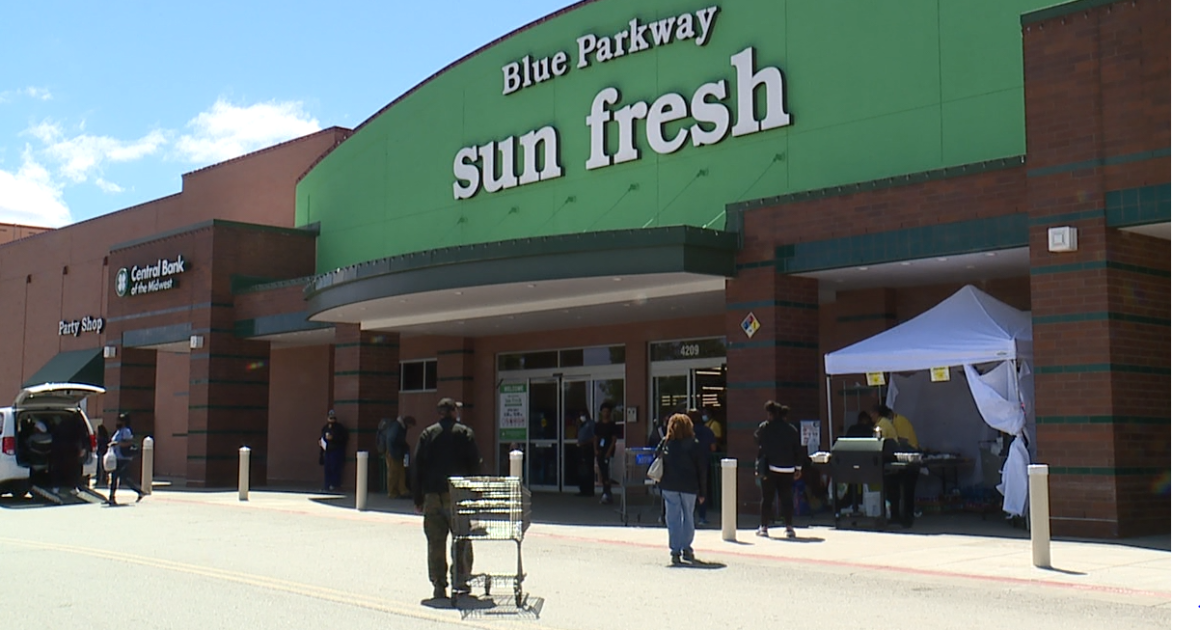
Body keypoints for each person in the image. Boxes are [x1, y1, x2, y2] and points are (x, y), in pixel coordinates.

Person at [411, 398, 482, 600]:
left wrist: (418, 497)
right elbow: (474, 464)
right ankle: (460, 580)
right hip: (457, 494)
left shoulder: (427, 434)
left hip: (432, 495)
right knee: (461, 539)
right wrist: (475, 490)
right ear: (453, 412)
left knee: (435, 542)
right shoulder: (464, 433)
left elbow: (417, 468)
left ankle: (439, 585)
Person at [655, 413, 706, 565]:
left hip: (669, 485)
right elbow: (701, 469)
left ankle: (675, 550)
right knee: (688, 517)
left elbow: (657, 456)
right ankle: (687, 547)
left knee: (673, 517)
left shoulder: (666, 442)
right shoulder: (694, 444)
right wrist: (703, 491)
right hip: (689, 486)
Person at [754, 400, 806, 538]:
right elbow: (798, 450)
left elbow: (757, 441)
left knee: (767, 499)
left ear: (771, 414)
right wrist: (798, 468)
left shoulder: (765, 427)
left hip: (770, 468)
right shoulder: (791, 429)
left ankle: (764, 527)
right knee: (786, 498)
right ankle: (789, 527)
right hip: (788, 469)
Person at [874, 404, 920, 527]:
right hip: (904, 458)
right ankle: (903, 517)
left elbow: (878, 443)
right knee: (902, 490)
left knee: (898, 489)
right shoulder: (889, 423)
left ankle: (902, 516)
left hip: (907, 457)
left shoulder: (884, 424)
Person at [107, 413, 146, 506]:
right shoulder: (118, 431)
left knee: (117, 475)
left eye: (120, 420)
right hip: (117, 457)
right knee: (120, 477)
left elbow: (128, 442)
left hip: (124, 457)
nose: (117, 422)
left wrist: (117, 444)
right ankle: (139, 491)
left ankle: (112, 497)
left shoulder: (126, 431)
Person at [687, 408, 715, 525]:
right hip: (703, 462)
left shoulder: (686, 432)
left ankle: (689, 515)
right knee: (703, 489)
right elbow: (713, 447)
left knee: (687, 489)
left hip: (687, 464)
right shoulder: (707, 431)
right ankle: (702, 517)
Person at [378, 416, 411, 499]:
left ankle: (402, 490)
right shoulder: (397, 427)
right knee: (393, 473)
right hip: (393, 452)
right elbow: (391, 440)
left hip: (396, 452)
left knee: (400, 471)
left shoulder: (398, 427)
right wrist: (393, 453)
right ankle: (392, 492)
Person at [595, 401, 618, 505]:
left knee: (606, 472)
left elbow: (614, 440)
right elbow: (595, 438)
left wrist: (609, 451)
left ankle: (607, 493)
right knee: (602, 472)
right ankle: (606, 492)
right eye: (604, 411)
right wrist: (595, 449)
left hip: (608, 451)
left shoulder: (612, 425)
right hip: (600, 450)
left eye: (607, 411)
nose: (606, 413)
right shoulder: (598, 425)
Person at [320, 411, 348, 491]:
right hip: (327, 450)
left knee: (335, 468)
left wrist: (333, 438)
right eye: (330, 417)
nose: (331, 419)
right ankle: (327, 484)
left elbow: (343, 439)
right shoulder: (325, 428)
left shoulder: (339, 428)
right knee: (327, 468)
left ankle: (335, 484)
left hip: (336, 450)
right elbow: (322, 438)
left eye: (332, 417)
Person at [575, 411, 596, 497]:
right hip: (581, 448)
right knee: (581, 469)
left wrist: (585, 443)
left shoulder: (591, 424)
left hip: (588, 448)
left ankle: (589, 490)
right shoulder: (581, 425)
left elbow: (594, 437)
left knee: (588, 469)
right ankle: (582, 489)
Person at [94, 422, 110, 487]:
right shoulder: (105, 438)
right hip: (104, 453)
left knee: (100, 467)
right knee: (103, 468)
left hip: (101, 453)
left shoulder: (101, 439)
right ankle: (104, 480)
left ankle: (100, 480)